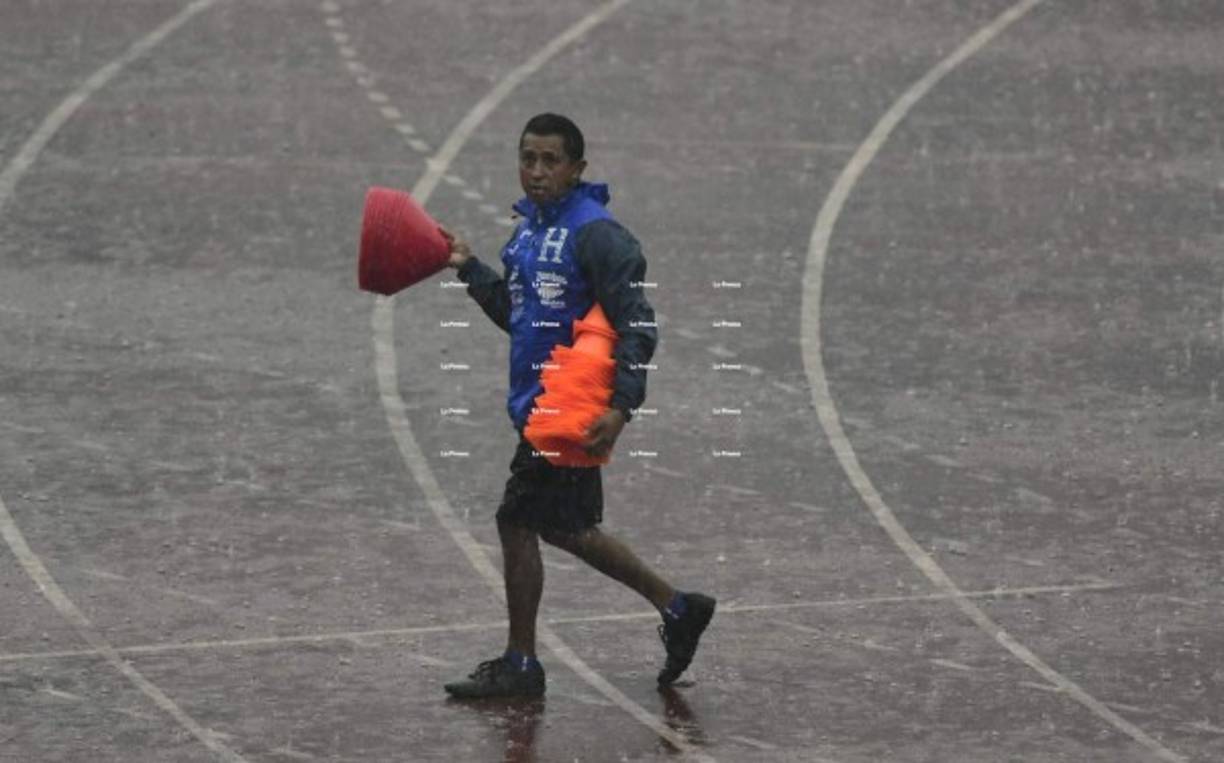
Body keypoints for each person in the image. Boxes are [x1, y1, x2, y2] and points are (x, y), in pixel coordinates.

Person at [440, 113, 715, 698]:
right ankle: (678, 606)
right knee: (568, 529)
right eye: (527, 159)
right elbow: (517, 320)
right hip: (541, 409)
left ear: (576, 169)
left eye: (550, 161)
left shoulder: (599, 236)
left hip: (571, 409)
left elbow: (637, 326)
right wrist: (469, 269)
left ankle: (522, 664)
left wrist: (620, 408)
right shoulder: (525, 236)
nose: (536, 172)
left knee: (518, 519)